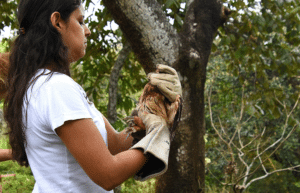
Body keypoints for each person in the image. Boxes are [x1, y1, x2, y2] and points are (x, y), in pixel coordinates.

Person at [2, 0, 182, 192]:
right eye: (80, 21)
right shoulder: (56, 88)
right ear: (57, 22)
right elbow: (108, 174)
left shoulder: (38, 85)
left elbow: (115, 144)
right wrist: (159, 133)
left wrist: (149, 117)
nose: (86, 31)